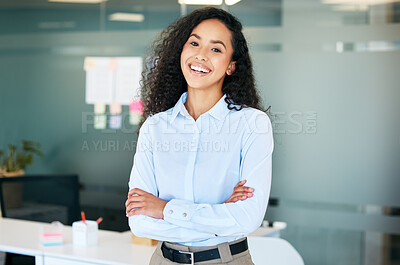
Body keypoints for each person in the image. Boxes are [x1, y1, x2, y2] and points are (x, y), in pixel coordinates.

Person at [125, 7, 274, 265]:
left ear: (231, 66)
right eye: (194, 43)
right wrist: (219, 215)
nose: (201, 55)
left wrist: (163, 209)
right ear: (181, 52)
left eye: (216, 49)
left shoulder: (252, 124)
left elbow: (247, 218)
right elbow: (140, 222)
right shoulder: (155, 127)